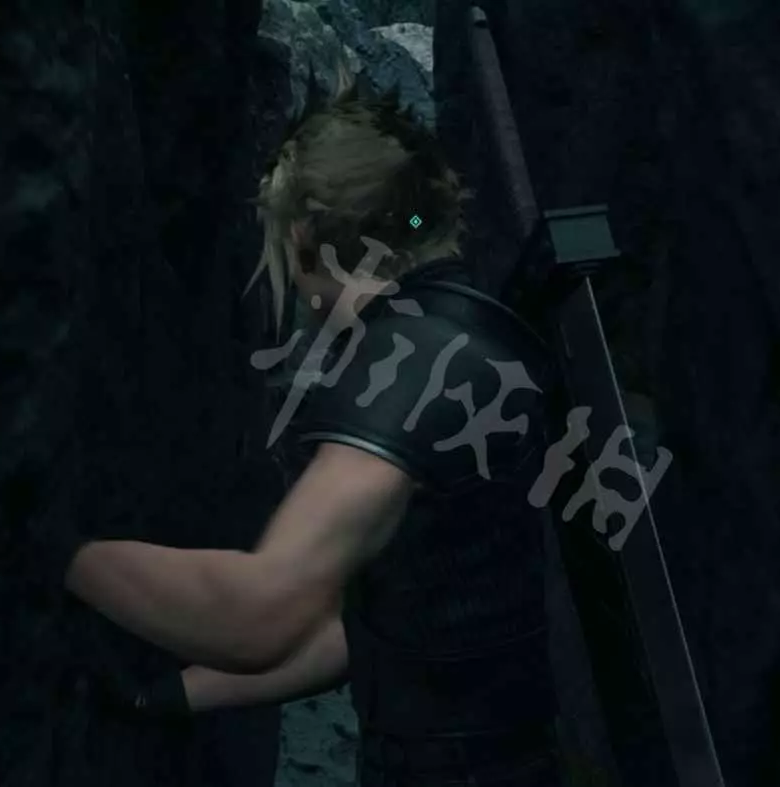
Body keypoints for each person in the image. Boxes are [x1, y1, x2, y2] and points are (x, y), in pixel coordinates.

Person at [64, 73, 563, 787]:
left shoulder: (403, 370)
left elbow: (259, 612)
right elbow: (373, 629)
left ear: (302, 236)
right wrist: (170, 695)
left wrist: (58, 548)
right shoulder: (472, 340)